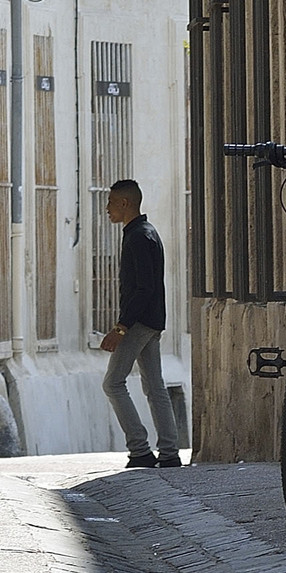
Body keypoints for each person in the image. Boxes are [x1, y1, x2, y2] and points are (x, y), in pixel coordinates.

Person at [99, 178, 182, 469]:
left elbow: (144, 288)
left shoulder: (139, 236)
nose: (106, 208)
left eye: (110, 202)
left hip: (139, 324)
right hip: (152, 321)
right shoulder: (144, 232)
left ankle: (140, 450)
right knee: (155, 386)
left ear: (125, 203)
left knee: (113, 383)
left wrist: (121, 327)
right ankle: (169, 454)